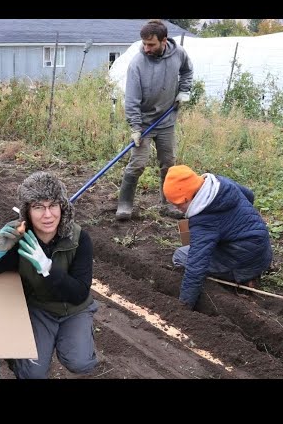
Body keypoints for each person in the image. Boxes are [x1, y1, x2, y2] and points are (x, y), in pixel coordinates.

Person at [0, 171, 98, 379]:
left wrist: (47, 268)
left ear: (62, 207)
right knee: (32, 374)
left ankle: (74, 337)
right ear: (27, 211)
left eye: (53, 205)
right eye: (38, 207)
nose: (48, 215)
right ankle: (19, 359)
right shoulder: (20, 242)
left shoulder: (79, 239)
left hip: (75, 309)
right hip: (40, 308)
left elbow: (78, 293)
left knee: (81, 362)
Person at [163, 165, 273, 311]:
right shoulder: (220, 183)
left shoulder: (204, 221)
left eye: (178, 204)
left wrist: (184, 306)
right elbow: (249, 195)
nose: (177, 209)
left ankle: (243, 278)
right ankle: (252, 267)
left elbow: (196, 266)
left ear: (188, 197)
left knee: (180, 256)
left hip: (244, 260)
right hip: (261, 246)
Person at [116, 19, 194, 221]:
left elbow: (187, 70)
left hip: (166, 120)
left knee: (168, 163)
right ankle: (125, 204)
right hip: (143, 123)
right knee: (138, 163)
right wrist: (135, 127)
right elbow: (131, 100)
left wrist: (184, 90)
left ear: (163, 41)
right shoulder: (137, 64)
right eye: (144, 43)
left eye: (151, 44)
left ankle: (167, 204)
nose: (146, 48)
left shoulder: (179, 53)